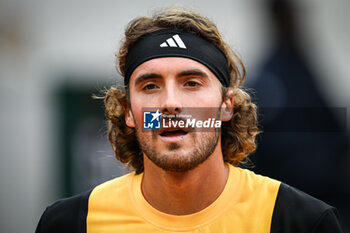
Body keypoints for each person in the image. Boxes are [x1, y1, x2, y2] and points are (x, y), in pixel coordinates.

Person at [35, 8, 344, 233]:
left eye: (191, 83)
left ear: (226, 107)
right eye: (151, 86)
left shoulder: (300, 221)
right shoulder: (72, 222)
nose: (170, 104)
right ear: (129, 112)